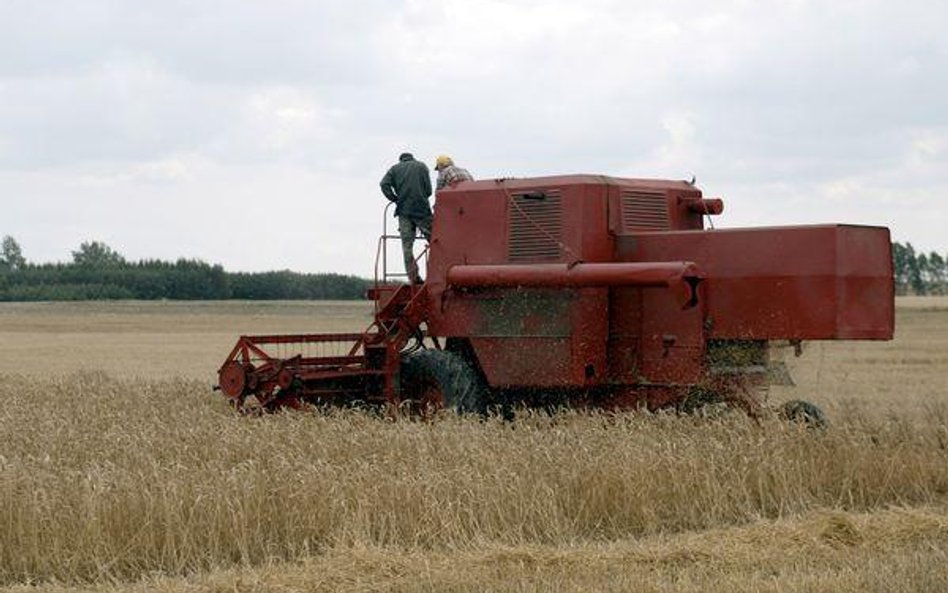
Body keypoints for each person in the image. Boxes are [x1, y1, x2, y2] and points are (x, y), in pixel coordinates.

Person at [379, 152, 432, 284]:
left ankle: (414, 277)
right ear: (413, 158)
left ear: (401, 160)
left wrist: (395, 198)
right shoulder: (422, 166)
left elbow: (383, 184)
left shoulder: (395, 169)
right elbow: (429, 190)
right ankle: (435, 274)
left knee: (407, 246)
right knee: (435, 242)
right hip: (422, 210)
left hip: (404, 211)